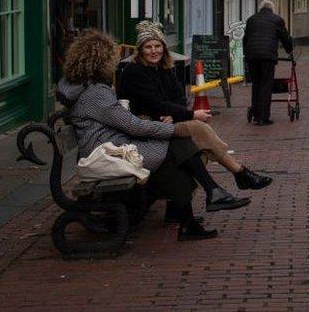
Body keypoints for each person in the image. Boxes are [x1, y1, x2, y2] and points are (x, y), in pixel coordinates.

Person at [57, 30, 249, 242]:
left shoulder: (90, 88)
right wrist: (171, 128)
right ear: (100, 61)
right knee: (175, 147)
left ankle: (200, 208)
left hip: (112, 144)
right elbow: (132, 125)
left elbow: (137, 116)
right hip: (107, 152)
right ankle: (203, 203)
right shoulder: (96, 93)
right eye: (112, 57)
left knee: (176, 150)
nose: (115, 61)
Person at [117, 20, 272, 191]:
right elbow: (154, 103)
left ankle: (228, 181)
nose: (154, 51)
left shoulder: (164, 69)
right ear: (140, 51)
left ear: (164, 48)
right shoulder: (134, 72)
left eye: (157, 46)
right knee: (198, 128)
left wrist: (172, 115)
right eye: (148, 47)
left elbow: (179, 99)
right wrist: (190, 115)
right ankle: (240, 173)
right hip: (145, 126)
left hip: (165, 123)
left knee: (196, 148)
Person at [243, 0, 294, 126]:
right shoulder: (277, 20)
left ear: (260, 8)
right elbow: (285, 38)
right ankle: (263, 117)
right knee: (266, 85)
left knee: (256, 84)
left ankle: (255, 114)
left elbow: (246, 39)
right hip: (267, 57)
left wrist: (246, 54)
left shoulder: (251, 20)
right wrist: (290, 51)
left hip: (252, 56)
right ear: (272, 9)